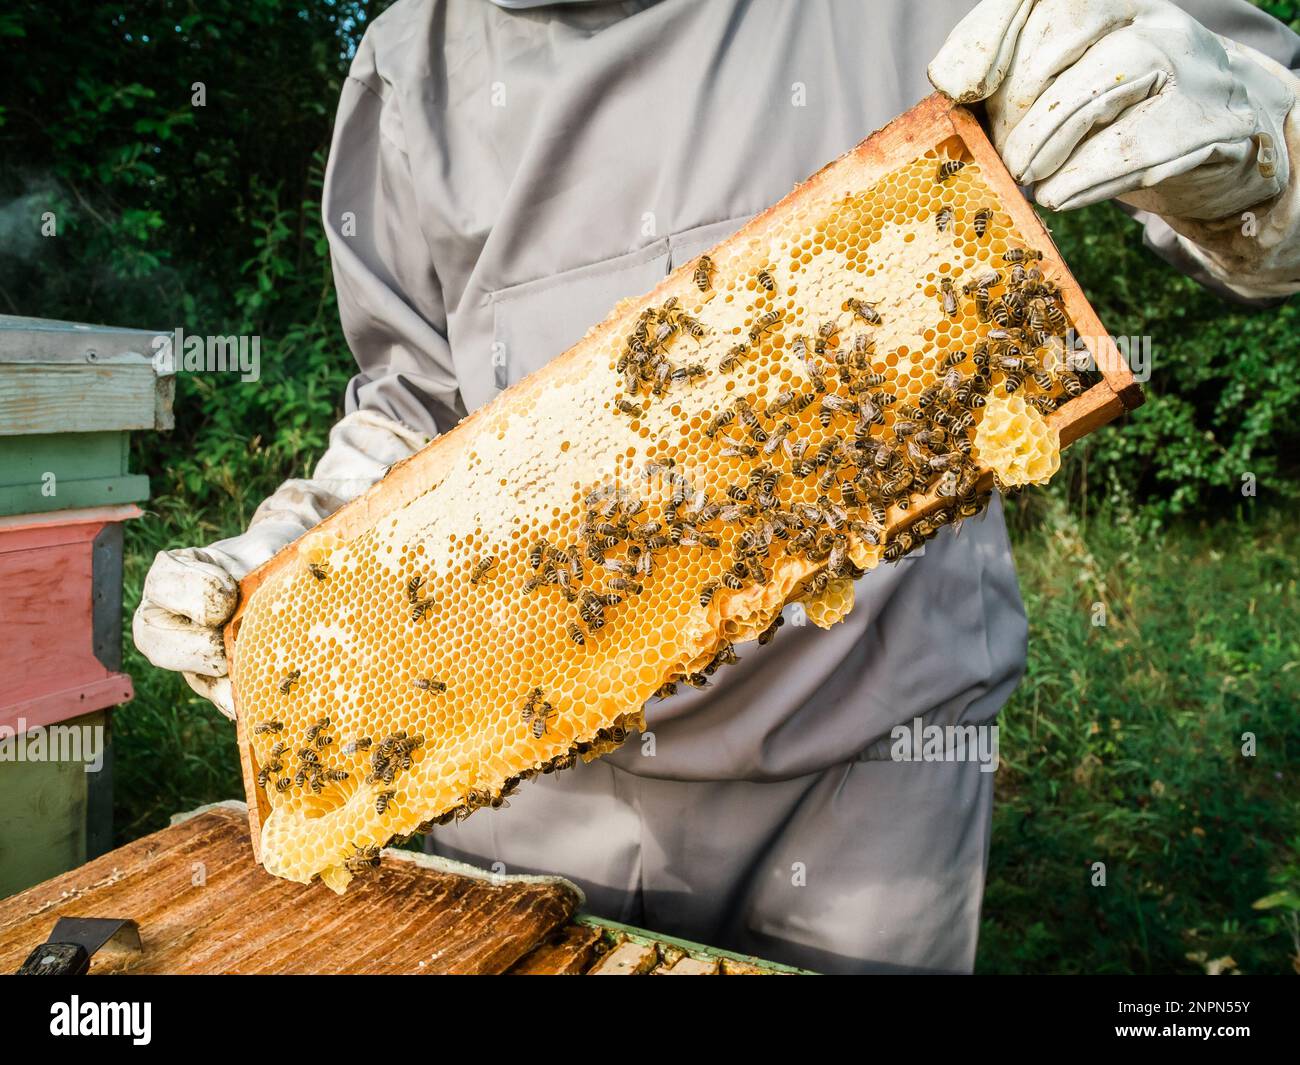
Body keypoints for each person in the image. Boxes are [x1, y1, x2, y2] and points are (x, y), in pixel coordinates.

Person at [134, 0, 1300, 974]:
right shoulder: (408, 63)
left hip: (871, 766)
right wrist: (293, 569)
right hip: (523, 777)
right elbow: (413, 400)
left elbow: (1249, 116)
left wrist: (1266, 165)